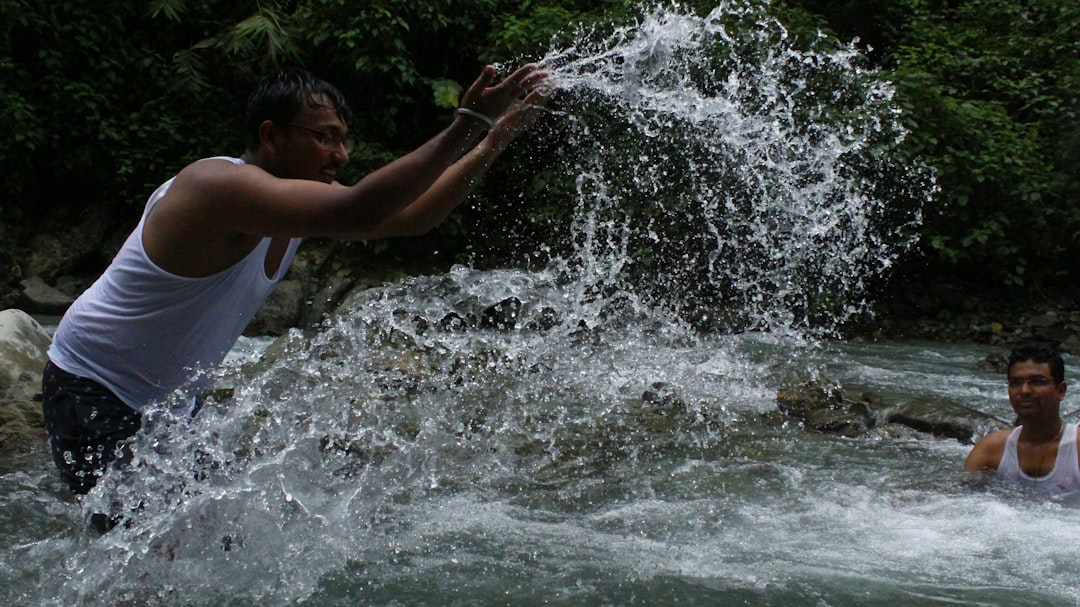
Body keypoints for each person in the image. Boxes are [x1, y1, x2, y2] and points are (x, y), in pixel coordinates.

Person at [41, 63, 551, 502]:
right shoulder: (217, 187)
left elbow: (414, 218)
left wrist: (496, 137)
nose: (341, 155)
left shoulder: (294, 204)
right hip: (96, 387)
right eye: (324, 136)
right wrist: (468, 122)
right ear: (271, 137)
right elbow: (364, 208)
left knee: (210, 543)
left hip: (171, 405)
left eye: (344, 139)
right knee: (152, 564)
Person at [964, 342, 1079, 494]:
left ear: (1060, 390)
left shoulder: (1076, 449)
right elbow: (959, 497)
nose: (1024, 391)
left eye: (1037, 381)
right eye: (1016, 383)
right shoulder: (991, 450)